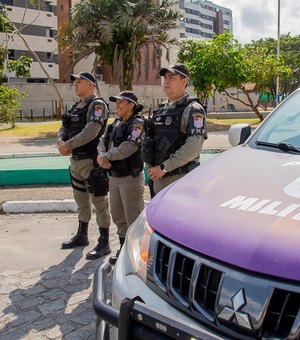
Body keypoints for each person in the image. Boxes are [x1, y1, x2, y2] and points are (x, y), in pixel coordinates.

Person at [58, 71, 111, 261]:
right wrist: (60, 142)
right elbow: (64, 126)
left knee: (99, 202)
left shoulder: (97, 105)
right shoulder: (76, 106)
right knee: (81, 200)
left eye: (79, 82)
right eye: (75, 82)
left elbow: (91, 131)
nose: (76, 84)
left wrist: (68, 145)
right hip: (76, 161)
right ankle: (82, 235)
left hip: (91, 160)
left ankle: (104, 242)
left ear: (91, 85)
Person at [142, 63, 207, 195]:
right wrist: (151, 168)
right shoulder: (160, 110)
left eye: (172, 77)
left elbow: (193, 148)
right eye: (165, 78)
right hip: (157, 178)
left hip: (180, 179)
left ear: (184, 81)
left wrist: (163, 168)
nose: (166, 81)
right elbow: (150, 141)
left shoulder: (193, 109)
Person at [97, 91, 145, 264]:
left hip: (129, 178)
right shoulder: (115, 122)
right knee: (117, 215)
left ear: (131, 104)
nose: (117, 105)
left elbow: (129, 147)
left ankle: (136, 256)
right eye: (116, 102)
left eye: (121, 103)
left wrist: (106, 157)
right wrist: (101, 157)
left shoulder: (138, 123)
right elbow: (102, 140)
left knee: (132, 216)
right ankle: (124, 250)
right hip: (114, 177)